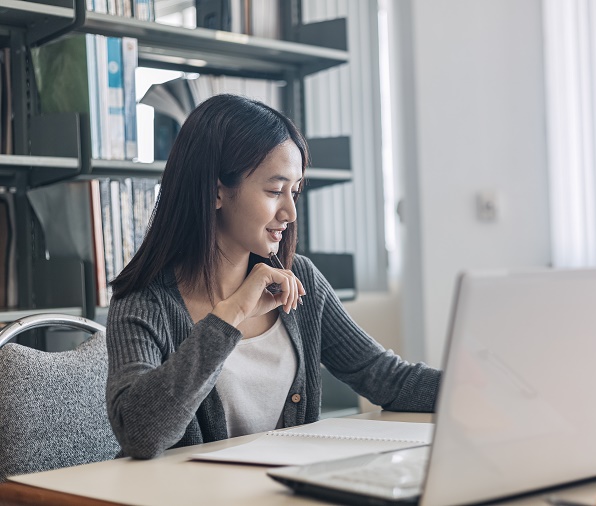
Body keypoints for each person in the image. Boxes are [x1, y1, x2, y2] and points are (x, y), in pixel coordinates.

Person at [105, 94, 440, 459]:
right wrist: (230, 315)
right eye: (275, 190)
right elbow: (139, 434)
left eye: (294, 191)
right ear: (217, 191)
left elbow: (386, 378)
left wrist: (478, 386)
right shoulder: (142, 302)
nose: (291, 212)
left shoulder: (302, 281)